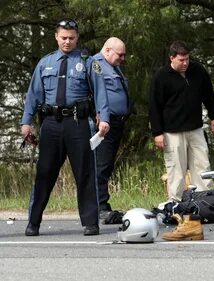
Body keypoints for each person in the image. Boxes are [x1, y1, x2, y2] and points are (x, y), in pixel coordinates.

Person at [20, 19, 110, 236]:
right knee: (44, 173)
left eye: (71, 38)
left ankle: (90, 222)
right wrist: (26, 122)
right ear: (56, 37)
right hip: (51, 124)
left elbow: (100, 92)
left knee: (85, 174)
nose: (67, 42)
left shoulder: (88, 62)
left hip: (78, 123)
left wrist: (104, 118)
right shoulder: (45, 63)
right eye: (63, 38)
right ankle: (33, 222)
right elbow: (33, 95)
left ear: (77, 38)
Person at [149, 40, 214, 202]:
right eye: (181, 60)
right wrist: (157, 133)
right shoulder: (161, 77)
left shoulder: (198, 71)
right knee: (176, 170)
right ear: (172, 58)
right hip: (172, 132)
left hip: (195, 128)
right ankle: (176, 204)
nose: (185, 63)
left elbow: (209, 95)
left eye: (187, 59)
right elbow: (154, 106)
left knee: (202, 166)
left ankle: (207, 201)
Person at [93, 37, 130, 221]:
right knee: (101, 165)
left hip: (116, 123)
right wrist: (98, 113)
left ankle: (102, 203)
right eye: (120, 54)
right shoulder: (95, 65)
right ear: (107, 50)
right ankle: (99, 206)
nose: (123, 58)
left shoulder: (113, 67)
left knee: (107, 165)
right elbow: (90, 92)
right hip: (104, 124)